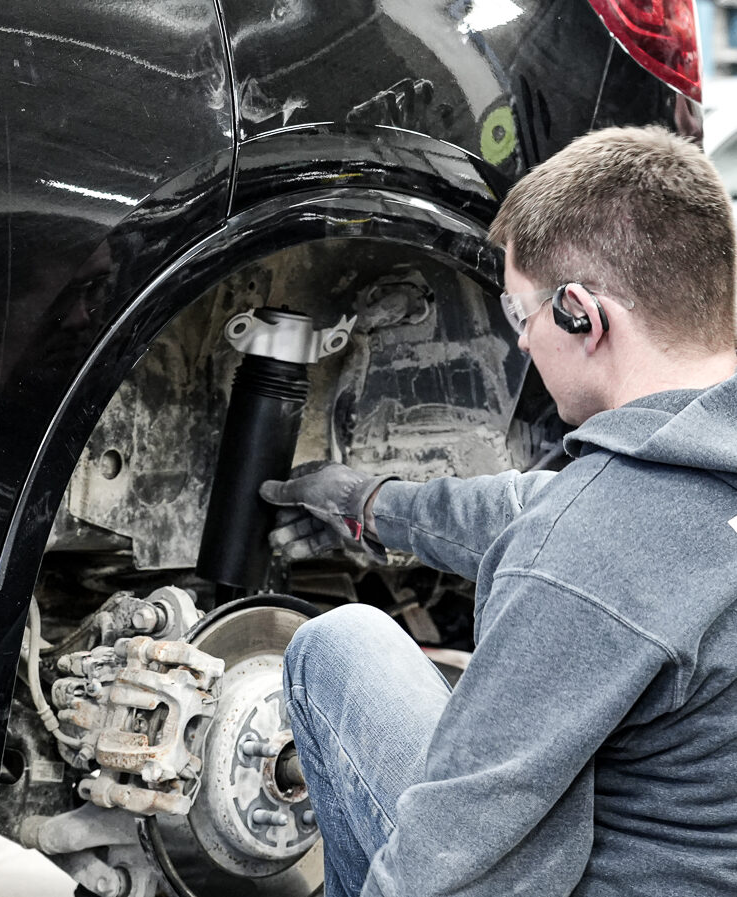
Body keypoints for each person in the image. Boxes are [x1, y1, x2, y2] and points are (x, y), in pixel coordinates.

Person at [262, 125, 737, 896]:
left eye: (523, 319)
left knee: (339, 645)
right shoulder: (683, 480)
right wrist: (369, 504)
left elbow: (455, 876)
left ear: (583, 315)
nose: (520, 349)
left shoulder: (584, 551)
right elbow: (535, 508)